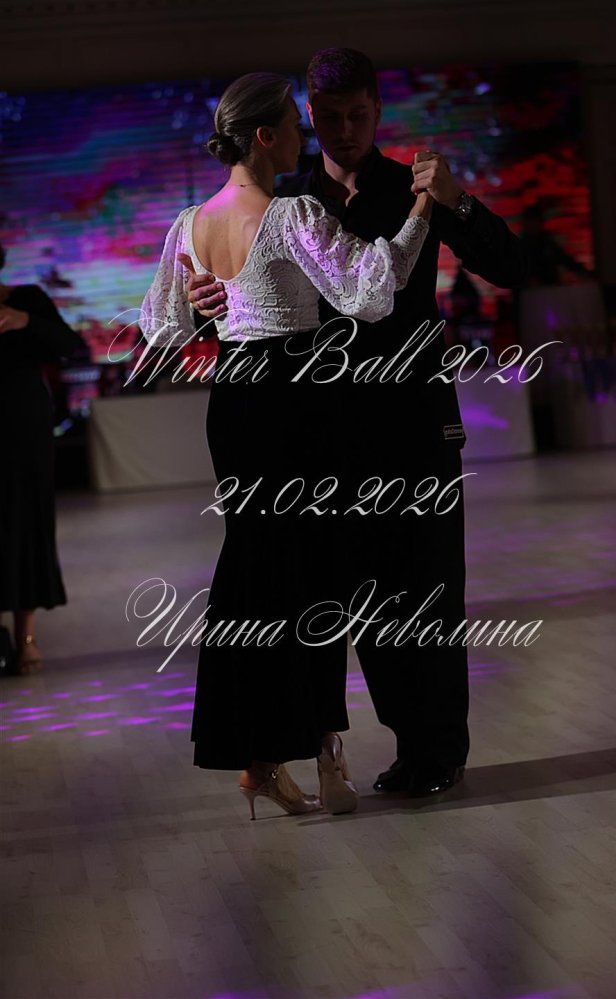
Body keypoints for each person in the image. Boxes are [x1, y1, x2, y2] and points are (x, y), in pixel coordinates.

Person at [187, 49, 527, 798]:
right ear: (308, 115)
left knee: (426, 590)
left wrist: (458, 202)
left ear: (377, 111)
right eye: (332, 117)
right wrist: (208, 300)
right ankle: (344, 745)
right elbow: (252, 315)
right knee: (350, 599)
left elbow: (511, 266)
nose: (345, 130)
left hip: (414, 422)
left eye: (359, 115)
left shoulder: (416, 188)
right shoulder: (282, 203)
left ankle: (434, 752)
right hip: (319, 435)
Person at [139, 72, 433, 818]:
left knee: (256, 579)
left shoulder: (189, 223)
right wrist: (423, 209)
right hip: (297, 398)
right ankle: (325, 755)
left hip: (235, 401)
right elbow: (371, 290)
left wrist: (206, 306)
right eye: (297, 127)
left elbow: (160, 328)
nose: (305, 138)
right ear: (266, 136)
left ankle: (260, 761)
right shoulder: (292, 212)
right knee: (315, 579)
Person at [0, 245, 88, 674]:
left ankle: (26, 638)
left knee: (24, 522)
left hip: (21, 429)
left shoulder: (27, 299)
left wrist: (26, 321)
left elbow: (72, 346)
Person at [520, 204, 593, 286]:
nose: (533, 225)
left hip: (550, 289)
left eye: (535, 222)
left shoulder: (547, 243)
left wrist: (584, 272)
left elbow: (565, 259)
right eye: (530, 222)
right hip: (529, 291)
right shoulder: (520, 247)